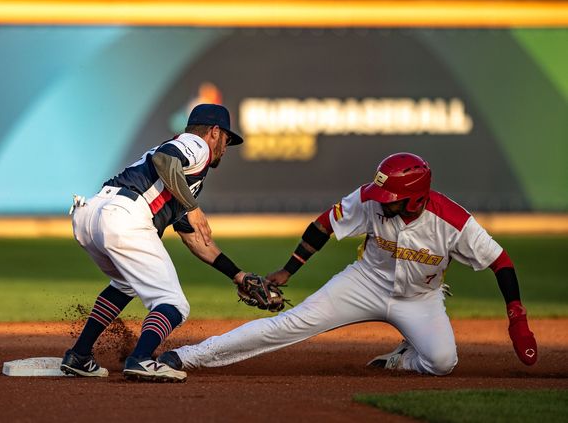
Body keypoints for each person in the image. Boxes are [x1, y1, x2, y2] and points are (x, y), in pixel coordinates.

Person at [158, 152, 538, 376]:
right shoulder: (371, 200)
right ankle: (187, 356)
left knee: (442, 362)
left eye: (390, 196)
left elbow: (500, 262)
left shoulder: (453, 221)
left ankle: (402, 359)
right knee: (289, 324)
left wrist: (517, 320)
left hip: (420, 299)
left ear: (415, 199)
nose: (380, 200)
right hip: (364, 283)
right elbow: (323, 224)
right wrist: (289, 270)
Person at [61, 104, 249, 383]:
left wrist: (238, 275)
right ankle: (142, 359)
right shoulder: (196, 145)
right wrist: (193, 207)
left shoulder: (185, 178)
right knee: (173, 303)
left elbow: (195, 239)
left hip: (92, 215)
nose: (226, 146)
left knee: (125, 283)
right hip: (124, 216)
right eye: (227, 139)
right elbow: (164, 159)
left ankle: (79, 355)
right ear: (214, 132)